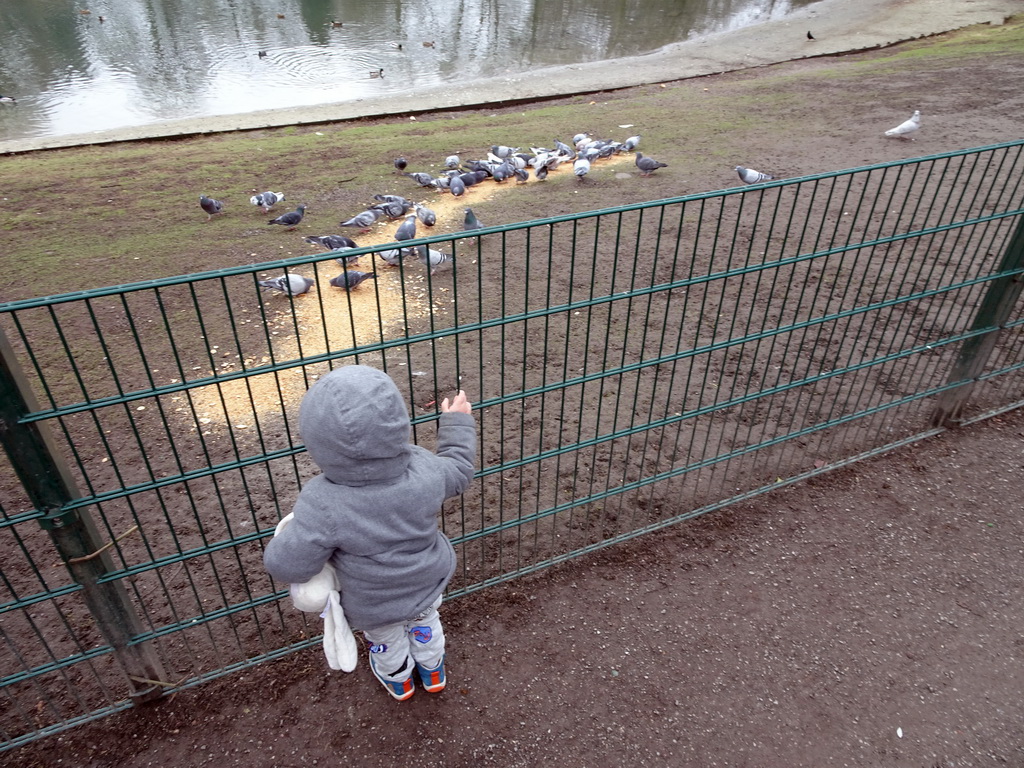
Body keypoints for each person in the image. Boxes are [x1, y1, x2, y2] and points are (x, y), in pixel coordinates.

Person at [263, 365, 476, 700]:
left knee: (386, 640)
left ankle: (398, 678)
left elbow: (289, 566)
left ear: (317, 441)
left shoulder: (322, 501)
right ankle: (432, 669)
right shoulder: (424, 469)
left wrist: (282, 541)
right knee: (425, 623)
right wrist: (456, 423)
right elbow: (460, 470)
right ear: (397, 423)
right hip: (427, 581)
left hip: (373, 602)